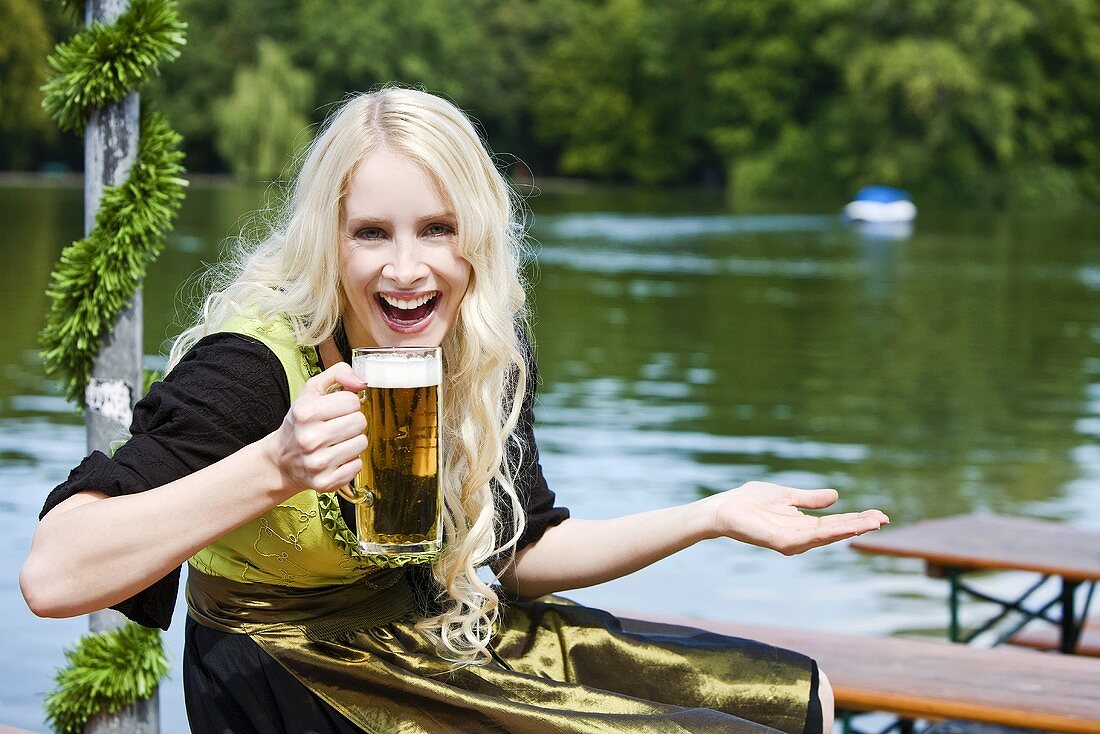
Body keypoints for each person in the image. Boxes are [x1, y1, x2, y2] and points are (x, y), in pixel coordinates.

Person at [21, 87, 888, 734]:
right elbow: (56, 576)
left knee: (782, 700)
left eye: (437, 229)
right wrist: (273, 465)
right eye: (372, 233)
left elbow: (523, 554)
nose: (408, 269)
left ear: (478, 230)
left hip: (426, 631)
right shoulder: (254, 365)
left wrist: (709, 516)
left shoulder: (480, 346)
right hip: (287, 676)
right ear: (329, 239)